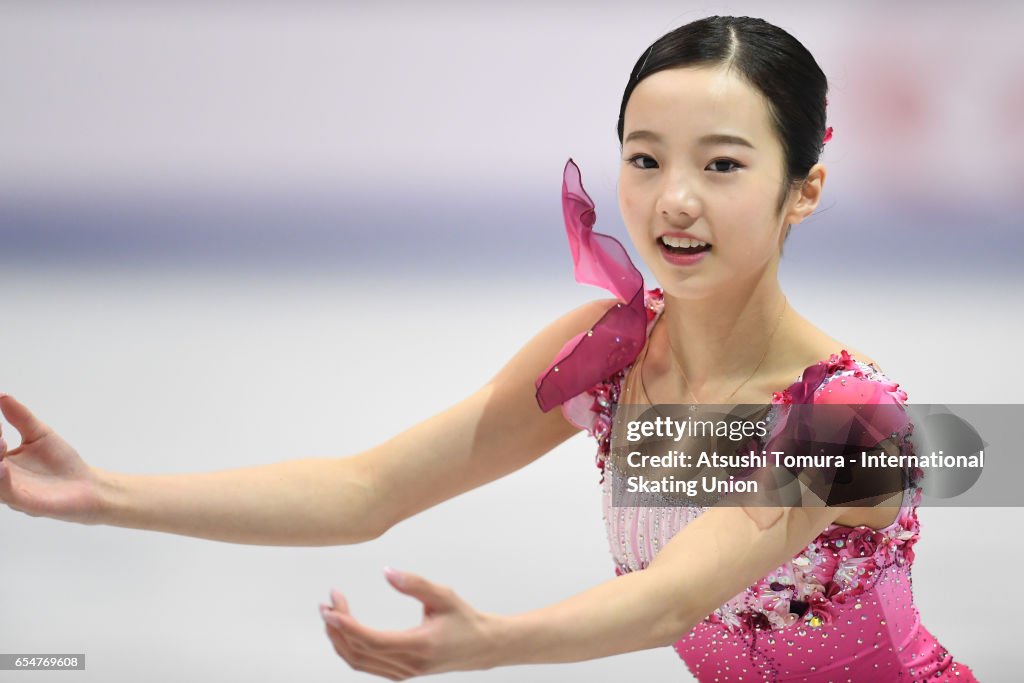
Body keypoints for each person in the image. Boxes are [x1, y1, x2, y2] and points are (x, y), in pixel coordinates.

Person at [0, 15, 977, 682]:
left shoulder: (846, 413)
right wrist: (102, 493)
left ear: (802, 187)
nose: (672, 199)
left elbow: (670, 600)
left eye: (721, 164)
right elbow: (364, 489)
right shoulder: (609, 351)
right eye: (644, 158)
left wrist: (487, 642)